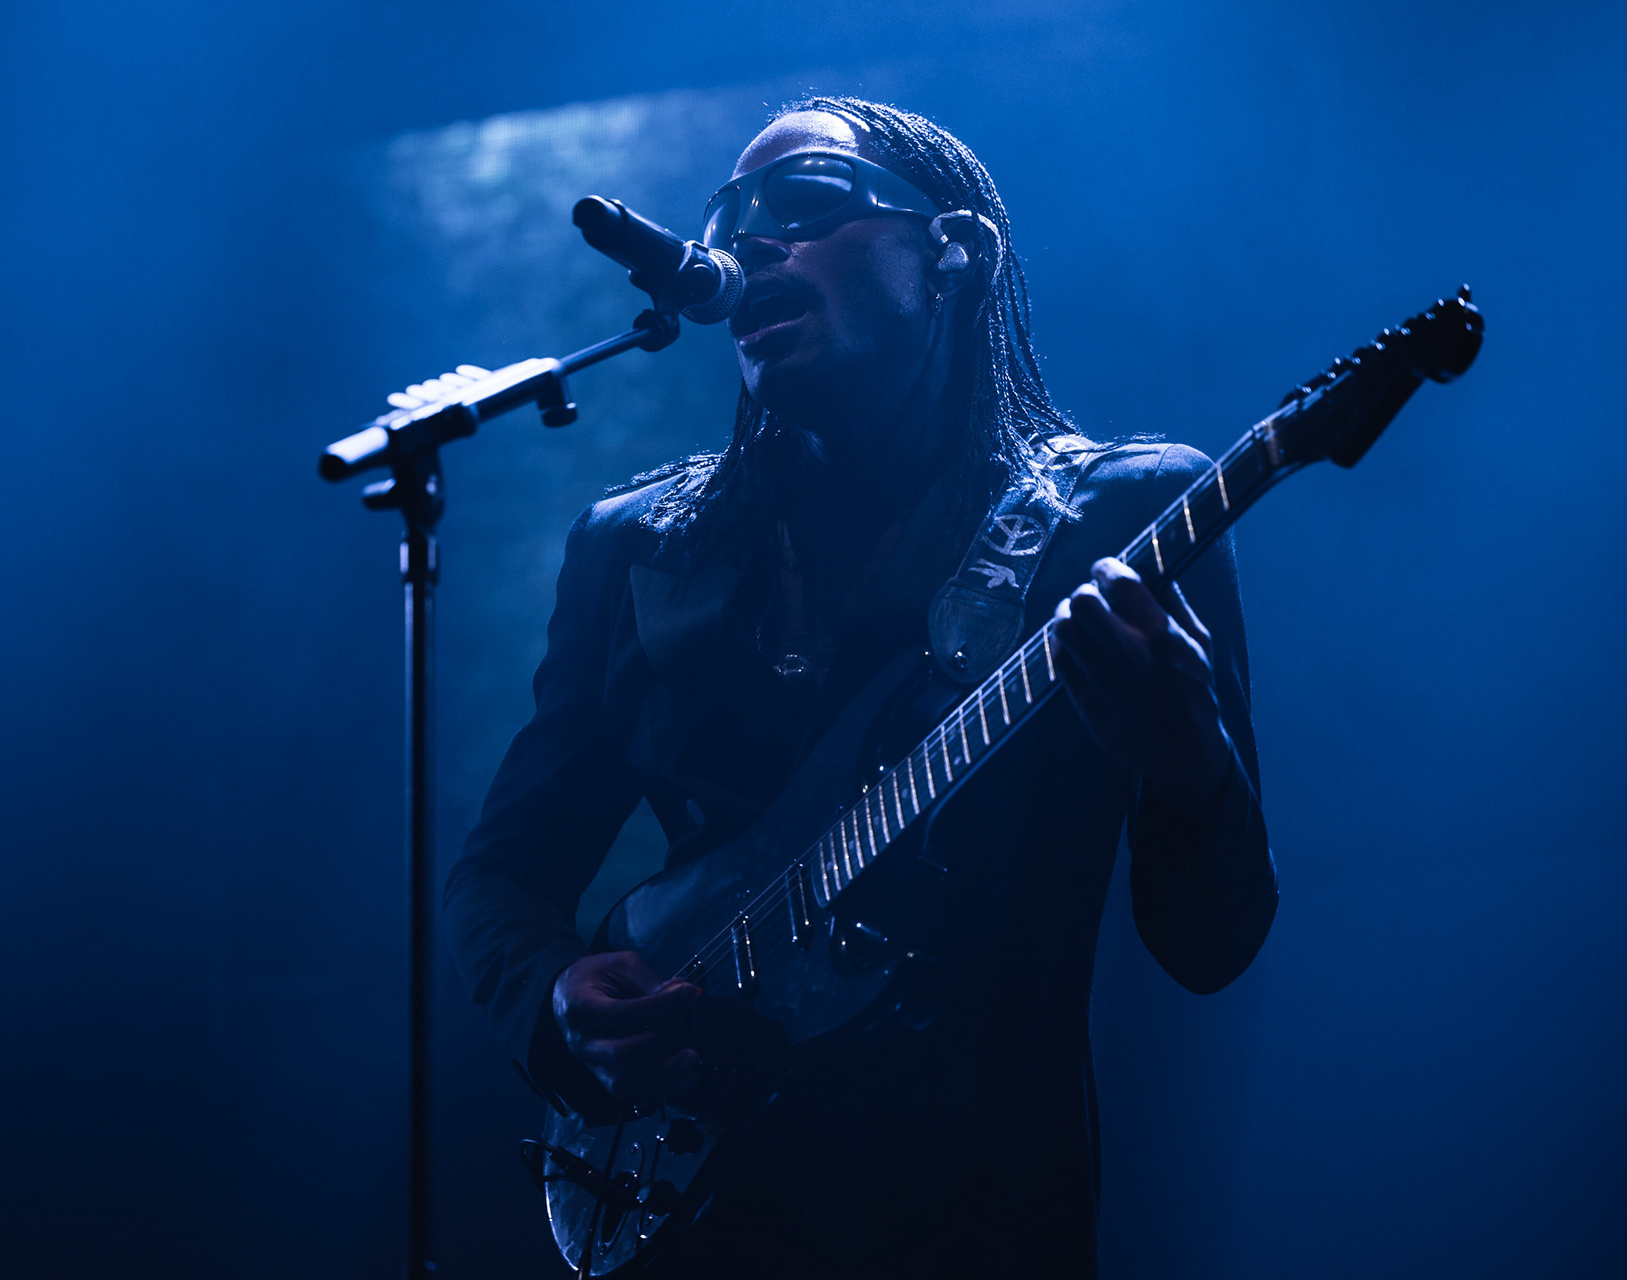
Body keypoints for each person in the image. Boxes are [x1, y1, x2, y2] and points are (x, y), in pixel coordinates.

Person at [443, 97, 1278, 1277]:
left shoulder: (1112, 518)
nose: (748, 241)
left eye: (804, 202)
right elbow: (501, 874)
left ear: (954, 250)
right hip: (682, 1203)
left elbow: (1211, 942)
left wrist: (1189, 757)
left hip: (971, 1216)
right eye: (728, 220)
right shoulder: (636, 547)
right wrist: (558, 991)